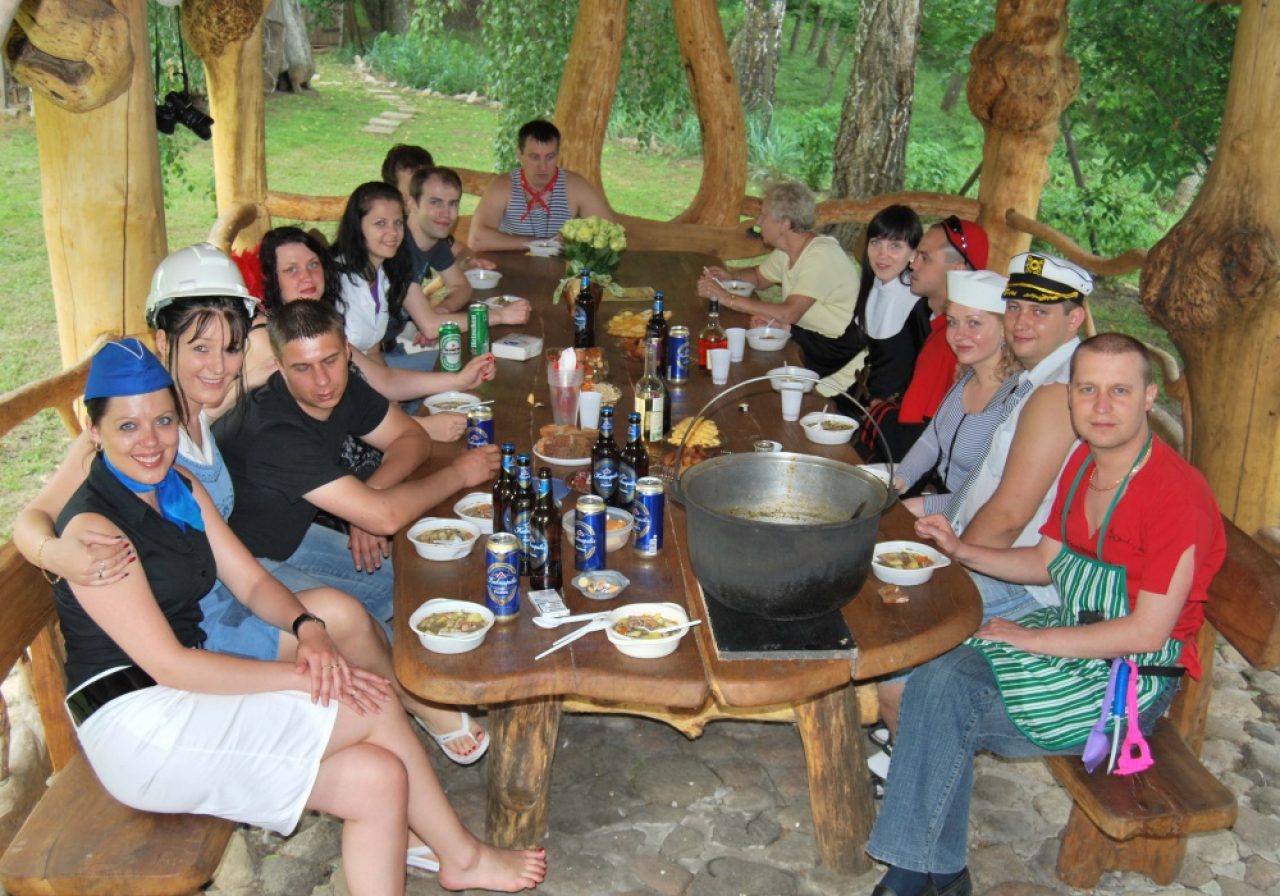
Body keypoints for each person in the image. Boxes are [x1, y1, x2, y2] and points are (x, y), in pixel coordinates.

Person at [50, 338, 546, 894]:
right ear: (94, 430)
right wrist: (302, 676)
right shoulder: (95, 534)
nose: (150, 441)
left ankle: (454, 856)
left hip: (186, 696)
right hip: (140, 724)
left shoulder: (176, 486)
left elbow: (252, 581)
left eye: (163, 421)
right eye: (128, 427)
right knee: (371, 700)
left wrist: (306, 628)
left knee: (378, 779)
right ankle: (462, 857)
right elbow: (171, 666)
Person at [16, 244, 489, 766]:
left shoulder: (213, 395)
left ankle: (402, 703)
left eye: (230, 348)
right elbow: (30, 519)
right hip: (194, 612)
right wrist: (54, 554)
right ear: (164, 341)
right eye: (199, 348)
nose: (217, 366)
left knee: (378, 593)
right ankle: (407, 706)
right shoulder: (136, 429)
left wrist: (415, 426)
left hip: (236, 569)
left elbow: (310, 348)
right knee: (344, 617)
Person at [865, 334, 1225, 896]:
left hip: (1129, 680)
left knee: (945, 701)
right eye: (1087, 389)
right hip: (1073, 638)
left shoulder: (1177, 495)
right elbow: (1044, 561)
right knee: (938, 673)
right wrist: (960, 550)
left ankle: (926, 875)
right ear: (1070, 396)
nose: (1101, 406)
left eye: (1120, 391)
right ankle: (932, 872)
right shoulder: (1083, 462)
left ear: (1149, 397)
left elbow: (1147, 631)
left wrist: (1031, 640)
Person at [876, 252, 1093, 735]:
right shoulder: (1032, 380)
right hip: (994, 553)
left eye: (1040, 311)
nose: (1021, 322)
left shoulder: (1056, 392)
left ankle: (909, 746)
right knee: (888, 580)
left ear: (1074, 318)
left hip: (1025, 579)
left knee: (899, 624)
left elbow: (1011, 514)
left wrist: (952, 564)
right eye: (1015, 307)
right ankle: (903, 734)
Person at [213, 300, 499, 638]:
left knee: (421, 579)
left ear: (347, 352)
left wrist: (371, 495)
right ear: (279, 366)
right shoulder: (272, 431)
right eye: (302, 368)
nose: (322, 380)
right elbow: (386, 517)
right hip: (242, 567)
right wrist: (460, 473)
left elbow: (412, 437)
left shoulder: (343, 385)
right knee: (370, 633)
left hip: (291, 537)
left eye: (330, 360)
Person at [240, 226, 495, 446]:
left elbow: (384, 380)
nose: (307, 276)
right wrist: (421, 427)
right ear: (270, 279)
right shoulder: (266, 337)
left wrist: (459, 380)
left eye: (313, 264)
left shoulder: (314, 323)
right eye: (291, 270)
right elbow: (317, 427)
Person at [331, 182, 529, 374]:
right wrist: (500, 315)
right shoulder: (338, 278)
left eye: (398, 223)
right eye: (380, 223)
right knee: (464, 365)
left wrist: (442, 309)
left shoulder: (387, 268)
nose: (393, 232)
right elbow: (430, 327)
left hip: (382, 362)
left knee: (474, 363)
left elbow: (375, 355)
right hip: (351, 379)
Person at [696, 181, 860, 378]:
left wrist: (727, 298)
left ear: (785, 224)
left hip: (836, 361)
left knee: (747, 370)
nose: (758, 222)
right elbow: (759, 277)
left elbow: (788, 314)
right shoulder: (789, 250)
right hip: (805, 340)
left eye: (764, 216)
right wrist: (730, 276)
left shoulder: (820, 256)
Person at [891, 270, 1019, 513]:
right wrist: (898, 481)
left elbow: (993, 495)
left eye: (974, 323)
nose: (959, 335)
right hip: (941, 501)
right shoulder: (967, 377)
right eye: (952, 322)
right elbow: (931, 442)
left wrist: (923, 506)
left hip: (977, 518)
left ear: (1005, 328)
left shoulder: (1014, 401)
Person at [817, 205, 926, 414]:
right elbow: (841, 349)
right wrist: (789, 332)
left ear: (914, 253)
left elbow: (926, 373)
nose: (882, 254)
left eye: (895, 246)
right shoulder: (875, 287)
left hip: (892, 411)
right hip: (863, 397)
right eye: (875, 242)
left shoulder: (919, 304)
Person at [468, 119, 614, 252]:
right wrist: (541, 243)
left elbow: (610, 233)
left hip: (559, 271)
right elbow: (476, 239)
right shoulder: (502, 186)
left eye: (550, 157)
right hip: (510, 268)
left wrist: (577, 241)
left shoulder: (576, 186)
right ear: (519, 154)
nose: (542, 166)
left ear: (558, 155)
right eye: (535, 157)